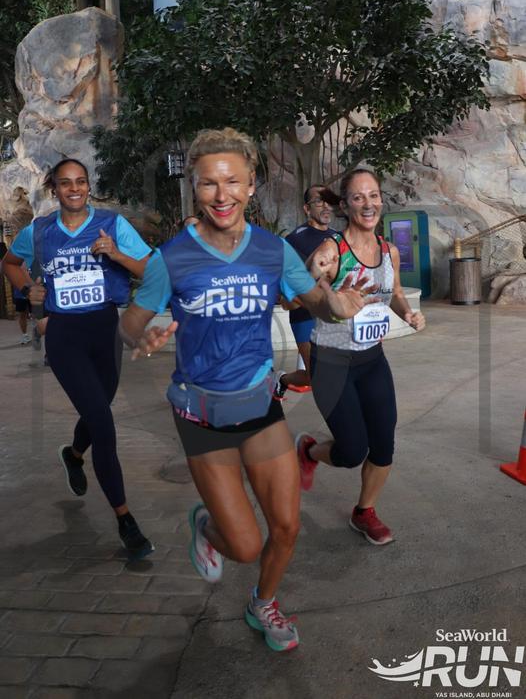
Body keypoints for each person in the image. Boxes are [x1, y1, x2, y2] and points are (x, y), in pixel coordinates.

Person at [120, 128, 377, 651]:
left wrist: (337, 305)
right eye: (209, 183)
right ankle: (207, 527)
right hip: (203, 417)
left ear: (251, 184)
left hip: (260, 407)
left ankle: (263, 603)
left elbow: (314, 301)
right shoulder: (171, 258)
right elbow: (130, 321)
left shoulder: (271, 250)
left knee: (286, 528)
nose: (222, 195)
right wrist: (139, 336)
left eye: (233, 181)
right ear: (194, 187)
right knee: (242, 545)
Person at [1, 158, 154, 560]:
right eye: (66, 183)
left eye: (81, 182)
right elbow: (10, 264)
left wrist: (117, 254)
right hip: (65, 335)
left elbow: (150, 270)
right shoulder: (39, 231)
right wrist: (27, 291)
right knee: (103, 423)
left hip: (105, 329)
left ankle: (72, 455)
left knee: (99, 407)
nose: (74, 189)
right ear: (54, 189)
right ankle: (125, 520)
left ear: (88, 186)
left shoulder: (112, 224)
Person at [296, 164, 425, 546]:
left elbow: (395, 292)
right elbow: (299, 292)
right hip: (331, 362)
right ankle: (309, 451)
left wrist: (408, 313)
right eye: (358, 197)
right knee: (352, 451)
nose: (368, 204)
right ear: (346, 205)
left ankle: (364, 511)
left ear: (381, 201)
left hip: (372, 360)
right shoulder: (331, 250)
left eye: (373, 196)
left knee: (383, 444)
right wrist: (324, 287)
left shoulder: (388, 251)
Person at [276, 186, 339, 396]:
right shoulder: (294, 240)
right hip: (305, 317)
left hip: (336, 316)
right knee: (315, 377)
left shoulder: (338, 238)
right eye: (319, 201)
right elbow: (286, 292)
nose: (326, 206)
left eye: (329, 201)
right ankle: (281, 380)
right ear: (306, 208)